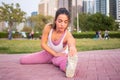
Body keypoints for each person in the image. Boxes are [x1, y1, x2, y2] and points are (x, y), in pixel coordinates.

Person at [20, 8, 78, 78]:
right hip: (48, 54)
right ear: (55, 20)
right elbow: (43, 44)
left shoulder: (67, 34)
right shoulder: (48, 27)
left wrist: (72, 47)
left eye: (65, 22)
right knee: (23, 60)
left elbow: (71, 40)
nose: (62, 24)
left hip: (60, 55)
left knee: (63, 62)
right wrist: (54, 54)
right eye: (60, 21)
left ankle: (68, 69)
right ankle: (53, 60)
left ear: (67, 23)